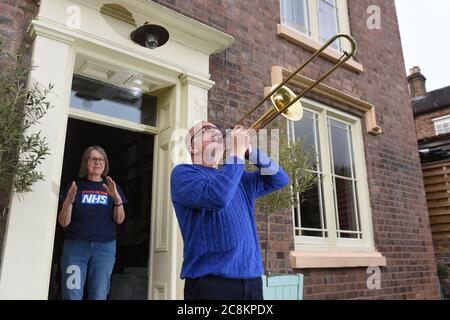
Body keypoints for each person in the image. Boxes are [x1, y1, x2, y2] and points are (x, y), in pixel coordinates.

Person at [170, 121, 289, 300]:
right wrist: (236, 153)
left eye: (217, 130)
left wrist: (251, 152)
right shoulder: (183, 173)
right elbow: (217, 196)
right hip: (211, 283)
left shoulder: (239, 178)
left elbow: (279, 179)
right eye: (207, 129)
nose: (216, 132)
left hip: (252, 280)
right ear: (193, 146)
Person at [58, 145, 127, 300]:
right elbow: (63, 222)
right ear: (85, 162)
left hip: (105, 248)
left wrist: (117, 199)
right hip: (76, 247)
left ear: (105, 163)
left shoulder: (111, 187)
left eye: (101, 159)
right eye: (93, 159)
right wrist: (68, 201)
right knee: (71, 293)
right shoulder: (74, 186)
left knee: (99, 294)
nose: (98, 162)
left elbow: (119, 220)